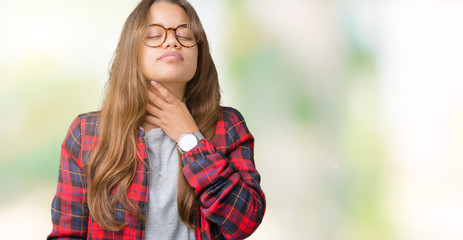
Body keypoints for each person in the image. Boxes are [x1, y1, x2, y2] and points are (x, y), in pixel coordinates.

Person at [47, 0, 265, 239]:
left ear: (199, 54)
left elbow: (246, 220)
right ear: (132, 49)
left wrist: (190, 139)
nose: (171, 41)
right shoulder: (86, 134)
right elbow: (67, 234)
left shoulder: (227, 124)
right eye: (153, 34)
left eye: (185, 34)